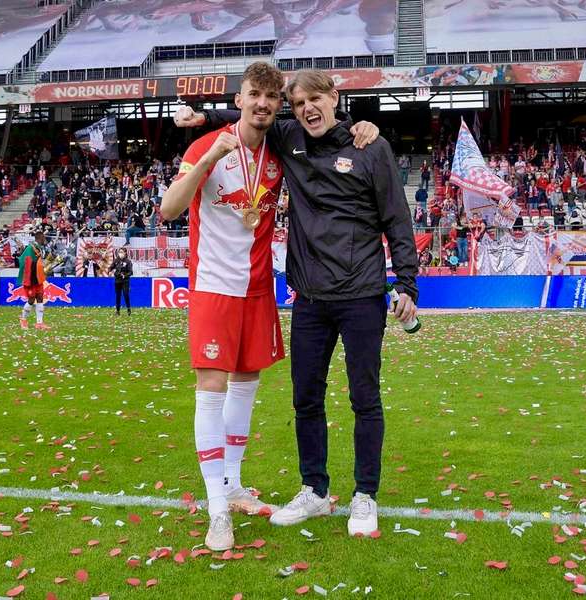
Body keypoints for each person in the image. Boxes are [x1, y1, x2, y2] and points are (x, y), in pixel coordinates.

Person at [176, 69, 416, 537]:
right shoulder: (289, 137)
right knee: (305, 399)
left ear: (334, 98)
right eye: (299, 101)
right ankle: (315, 490)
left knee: (364, 398)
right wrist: (205, 114)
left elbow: (397, 220)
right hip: (309, 299)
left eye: (316, 99)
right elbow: (252, 114)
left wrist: (406, 283)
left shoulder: (371, 147)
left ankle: (365, 495)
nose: (307, 108)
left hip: (362, 294)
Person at [160, 62, 290, 553]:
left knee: (247, 385)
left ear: (277, 105)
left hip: (258, 288)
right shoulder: (206, 147)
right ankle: (217, 507)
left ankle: (233, 485)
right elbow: (171, 209)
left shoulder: (279, 152)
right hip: (213, 285)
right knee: (211, 389)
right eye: (255, 94)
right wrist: (210, 152)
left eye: (271, 98)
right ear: (240, 98)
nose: (262, 104)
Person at [16, 229, 51, 330]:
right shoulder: (31, 248)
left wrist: (44, 268)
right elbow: (25, 261)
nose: (45, 239)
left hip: (37, 277)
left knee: (40, 297)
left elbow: (39, 262)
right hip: (30, 278)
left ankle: (39, 323)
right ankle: (23, 320)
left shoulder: (38, 248)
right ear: (40, 238)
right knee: (31, 300)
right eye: (44, 237)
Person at [113, 247, 132, 315]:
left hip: (125, 281)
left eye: (121, 252)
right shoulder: (116, 260)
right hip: (117, 280)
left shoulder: (128, 262)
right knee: (118, 295)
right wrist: (109, 270)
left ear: (125, 253)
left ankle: (128, 309)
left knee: (125, 294)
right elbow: (111, 267)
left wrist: (125, 275)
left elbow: (131, 272)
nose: (120, 253)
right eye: (119, 252)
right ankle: (117, 311)